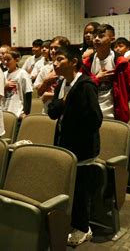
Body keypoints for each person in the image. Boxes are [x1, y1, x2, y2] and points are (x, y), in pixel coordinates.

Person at [48, 45, 103, 247]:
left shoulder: (86, 85)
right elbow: (52, 112)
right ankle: (71, 222)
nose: (55, 63)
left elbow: (95, 119)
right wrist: (63, 103)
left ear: (74, 62)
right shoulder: (62, 83)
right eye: (53, 59)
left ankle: (83, 228)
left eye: (60, 59)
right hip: (64, 144)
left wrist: (73, 127)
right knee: (68, 187)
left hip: (82, 148)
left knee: (80, 190)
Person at [81, 24, 130, 122]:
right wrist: (96, 78)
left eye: (101, 36)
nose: (96, 39)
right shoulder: (87, 62)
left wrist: (121, 100)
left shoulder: (121, 62)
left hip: (113, 115)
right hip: (90, 113)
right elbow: (80, 86)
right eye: (95, 36)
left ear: (112, 39)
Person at [34, 36, 70, 113]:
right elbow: (39, 92)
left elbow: (72, 95)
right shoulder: (45, 69)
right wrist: (46, 81)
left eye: (56, 48)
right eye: (51, 48)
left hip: (65, 110)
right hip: (47, 109)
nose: (53, 51)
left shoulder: (70, 68)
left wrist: (51, 95)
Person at [2, 50, 33, 119]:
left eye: (9, 60)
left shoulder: (22, 73)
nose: (6, 62)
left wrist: (26, 112)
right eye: (5, 60)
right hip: (5, 110)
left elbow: (28, 93)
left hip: (17, 112)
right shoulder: (3, 74)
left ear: (16, 60)